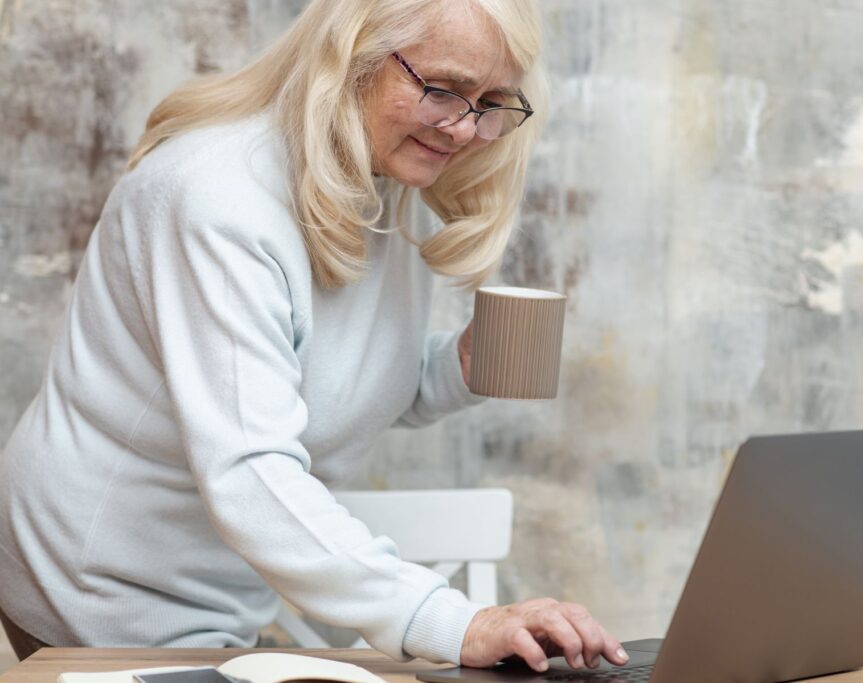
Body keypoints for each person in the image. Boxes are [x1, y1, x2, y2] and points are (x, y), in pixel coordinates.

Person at [0, 0, 630, 674]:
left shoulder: (380, 177)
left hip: (220, 601)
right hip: (96, 597)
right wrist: (454, 621)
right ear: (352, 55)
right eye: (442, 89)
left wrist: (461, 366)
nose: (465, 127)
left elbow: (333, 380)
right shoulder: (216, 197)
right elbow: (250, 469)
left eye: (492, 101)